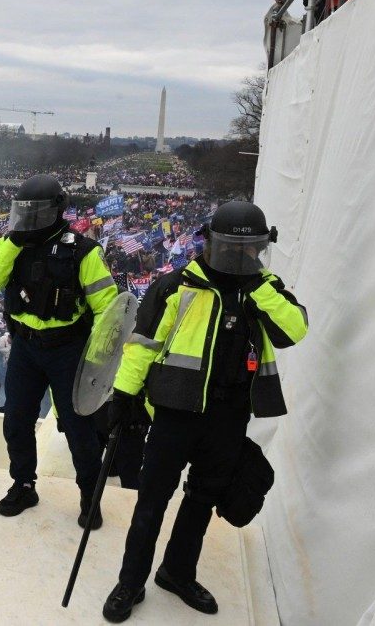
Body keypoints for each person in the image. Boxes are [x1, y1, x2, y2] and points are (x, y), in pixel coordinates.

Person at [102, 201, 308, 623]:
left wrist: (260, 289)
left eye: (248, 248)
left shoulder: (265, 290)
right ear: (209, 242)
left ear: (261, 248)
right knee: (152, 500)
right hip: (176, 414)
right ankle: (130, 581)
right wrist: (122, 397)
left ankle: (176, 573)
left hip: (230, 416)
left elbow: (295, 330)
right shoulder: (175, 286)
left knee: (201, 499)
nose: (238, 255)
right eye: (229, 246)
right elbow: (141, 347)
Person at [0, 174, 119, 529]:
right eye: (24, 212)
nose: (30, 218)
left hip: (68, 351)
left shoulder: (83, 251)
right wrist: (12, 242)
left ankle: (89, 495)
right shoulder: (12, 244)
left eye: (36, 212)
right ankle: (24, 484)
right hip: (26, 348)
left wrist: (95, 357)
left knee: (78, 428)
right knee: (16, 420)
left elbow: (108, 307)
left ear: (57, 210)